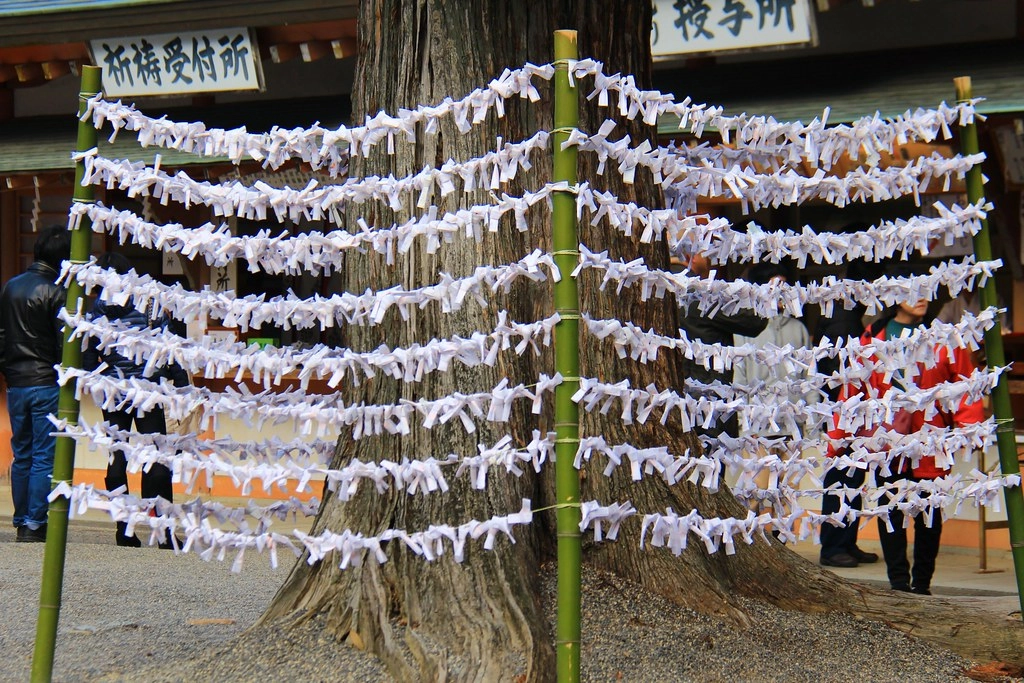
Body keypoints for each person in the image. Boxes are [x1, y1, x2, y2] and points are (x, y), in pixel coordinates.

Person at [825, 289, 984, 590]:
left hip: (930, 441)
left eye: (926, 294)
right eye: (914, 294)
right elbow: (852, 395)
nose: (922, 299)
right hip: (887, 444)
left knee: (929, 513)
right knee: (891, 511)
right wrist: (838, 437)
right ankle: (898, 582)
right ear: (896, 298)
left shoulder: (942, 339)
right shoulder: (870, 342)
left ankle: (922, 583)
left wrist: (968, 427)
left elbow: (965, 384)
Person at [83, 252, 188, 548]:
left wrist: (106, 377)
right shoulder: (150, 303)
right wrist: (180, 383)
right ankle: (163, 530)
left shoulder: (95, 313)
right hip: (148, 389)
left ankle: (124, 528)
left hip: (114, 393)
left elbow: (88, 359)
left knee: (117, 457)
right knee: (156, 457)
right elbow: (168, 347)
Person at [0, 225, 72, 543]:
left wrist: (9, 370)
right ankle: (34, 523)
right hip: (46, 381)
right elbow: (63, 344)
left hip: (16, 382)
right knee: (45, 454)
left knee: (23, 453)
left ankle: (20, 520)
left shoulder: (10, 288)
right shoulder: (57, 292)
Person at [734, 261, 817, 521]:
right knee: (756, 488)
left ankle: (784, 544)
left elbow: (809, 379)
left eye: (784, 287)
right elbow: (740, 377)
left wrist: (812, 420)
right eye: (773, 287)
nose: (779, 294)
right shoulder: (746, 329)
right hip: (759, 425)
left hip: (792, 426)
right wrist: (742, 420)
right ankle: (750, 542)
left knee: (789, 488)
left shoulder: (798, 329)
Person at [677, 248, 767, 438]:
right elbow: (754, 320)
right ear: (689, 255)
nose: (711, 256)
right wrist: (749, 285)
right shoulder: (697, 291)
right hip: (708, 399)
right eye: (705, 248)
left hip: (671, 398)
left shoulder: (654, 283)